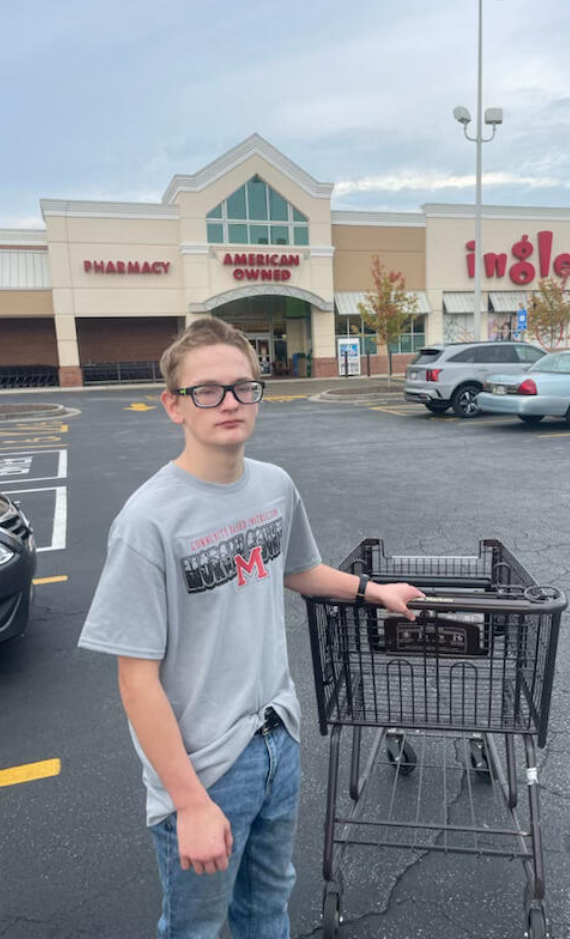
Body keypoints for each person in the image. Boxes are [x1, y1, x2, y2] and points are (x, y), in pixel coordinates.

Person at [77, 316, 422, 939]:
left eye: (243, 386)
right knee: (197, 926)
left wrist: (374, 591)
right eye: (206, 390)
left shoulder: (273, 486)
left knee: (268, 910)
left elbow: (300, 568)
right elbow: (136, 682)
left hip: (276, 740)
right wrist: (190, 803)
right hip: (204, 765)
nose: (229, 402)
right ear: (173, 405)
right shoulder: (148, 522)